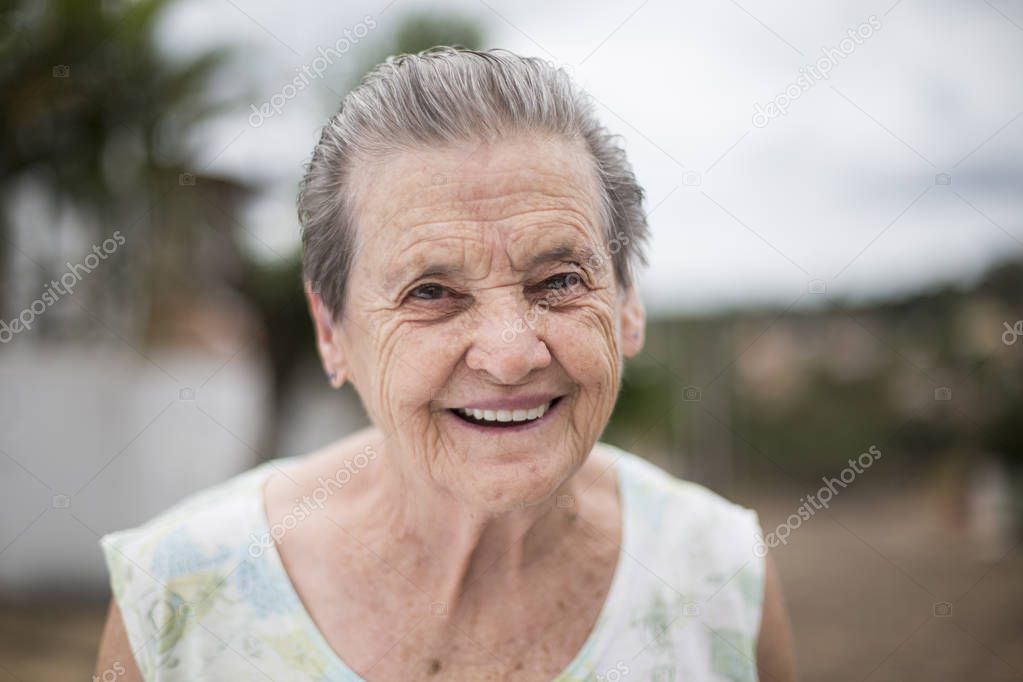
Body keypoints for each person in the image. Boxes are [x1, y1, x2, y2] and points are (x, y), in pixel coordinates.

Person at [95, 46, 797, 681]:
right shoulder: (179, 599)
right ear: (330, 331)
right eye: (430, 292)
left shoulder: (719, 574)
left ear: (627, 306)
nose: (511, 354)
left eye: (558, 281)